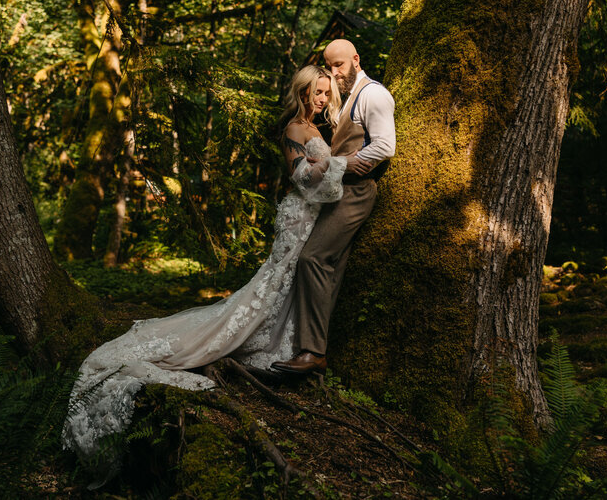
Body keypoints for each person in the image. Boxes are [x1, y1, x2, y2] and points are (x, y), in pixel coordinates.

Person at [62, 66, 347, 458]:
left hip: (312, 217)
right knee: (275, 279)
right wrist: (340, 166)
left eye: (325, 92)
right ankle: (230, 338)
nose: (321, 98)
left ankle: (287, 342)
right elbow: (300, 177)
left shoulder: (317, 129)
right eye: (316, 91)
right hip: (299, 215)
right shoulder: (296, 129)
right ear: (302, 91)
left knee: (288, 282)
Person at [271, 39, 396, 375]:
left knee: (313, 258)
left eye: (340, 65)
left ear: (356, 59)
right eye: (330, 66)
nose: (335, 73)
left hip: (355, 192)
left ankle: (313, 352)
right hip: (337, 192)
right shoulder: (343, 100)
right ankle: (313, 348)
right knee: (330, 266)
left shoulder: (373, 94)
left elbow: (385, 145)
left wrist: (342, 163)